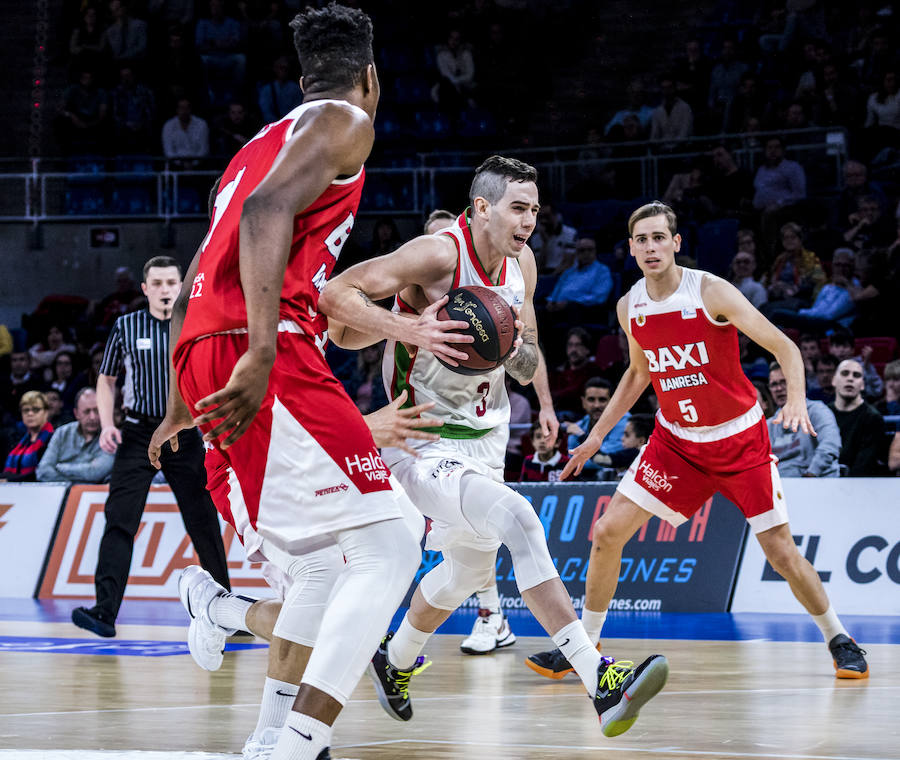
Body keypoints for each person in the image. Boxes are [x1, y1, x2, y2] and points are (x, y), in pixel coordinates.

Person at [149, 7, 462, 759]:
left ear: (298, 78)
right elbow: (265, 215)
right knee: (389, 545)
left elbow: (199, 271)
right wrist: (260, 349)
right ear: (372, 78)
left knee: (321, 565)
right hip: (267, 345)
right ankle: (294, 745)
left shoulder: (257, 145)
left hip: (206, 346)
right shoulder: (347, 120)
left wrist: (174, 406)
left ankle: (263, 723)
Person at [320, 156, 668, 735]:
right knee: (519, 518)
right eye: (518, 207)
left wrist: (541, 392)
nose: (530, 219)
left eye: (534, 208)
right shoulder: (436, 253)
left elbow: (526, 349)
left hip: (488, 435)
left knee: (462, 574)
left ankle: (394, 658)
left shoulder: (523, 262)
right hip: (421, 439)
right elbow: (336, 298)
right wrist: (412, 328)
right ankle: (600, 678)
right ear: (482, 207)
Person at [526, 201, 868, 682]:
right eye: (641, 240)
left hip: (739, 441)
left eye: (658, 237)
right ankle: (584, 645)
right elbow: (638, 374)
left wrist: (794, 399)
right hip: (678, 444)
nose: (650, 247)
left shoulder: (710, 291)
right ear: (631, 248)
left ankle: (839, 638)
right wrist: (594, 436)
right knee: (606, 534)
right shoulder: (630, 306)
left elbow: (785, 346)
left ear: (676, 242)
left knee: (781, 553)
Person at [71, 256, 231, 640]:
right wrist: (108, 424)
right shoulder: (126, 326)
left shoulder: (198, 322)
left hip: (186, 433)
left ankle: (226, 613)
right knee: (119, 520)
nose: (164, 290)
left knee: (204, 521)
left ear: (182, 286)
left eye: (170, 283)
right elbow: (106, 379)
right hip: (139, 433)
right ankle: (105, 613)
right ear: (144, 289)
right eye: (156, 283)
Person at [766, 362, 841, 478]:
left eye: (784, 382)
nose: (779, 389)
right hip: (781, 488)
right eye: (774, 384)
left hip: (816, 483)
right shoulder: (768, 426)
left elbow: (830, 445)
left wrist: (811, 474)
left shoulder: (817, 411)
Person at [36, 387, 113, 483]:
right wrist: (71, 485)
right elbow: (42, 471)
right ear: (76, 414)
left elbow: (96, 472)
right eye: (87, 412)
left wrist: (60, 467)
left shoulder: (111, 436)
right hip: (58, 493)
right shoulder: (61, 433)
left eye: (97, 411)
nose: (93, 417)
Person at [828, 359, 886, 476]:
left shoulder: (873, 418)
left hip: (858, 485)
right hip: (822, 481)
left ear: (863, 385)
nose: (850, 378)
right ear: (834, 380)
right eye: (845, 373)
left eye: (856, 375)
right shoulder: (824, 413)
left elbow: (864, 465)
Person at [565, 377, 631, 479]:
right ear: (583, 402)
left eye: (602, 400)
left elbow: (605, 460)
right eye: (591, 400)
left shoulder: (625, 422)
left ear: (612, 401)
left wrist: (581, 436)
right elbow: (571, 460)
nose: (596, 405)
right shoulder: (580, 425)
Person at [2, 391, 53, 482]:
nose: (30, 414)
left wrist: (9, 480)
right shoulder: (17, 440)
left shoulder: (53, 438)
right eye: (26, 410)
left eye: (36, 409)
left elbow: (41, 473)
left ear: (46, 412)